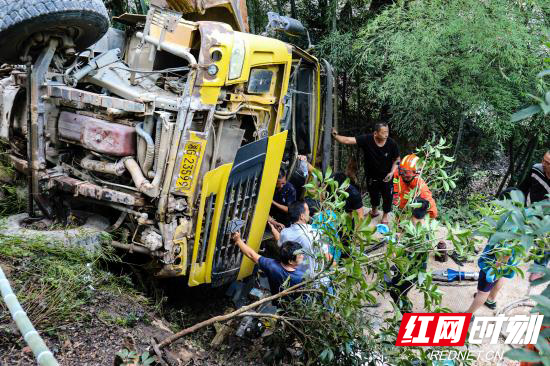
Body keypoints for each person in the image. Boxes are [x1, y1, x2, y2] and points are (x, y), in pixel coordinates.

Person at [332, 123, 400, 225]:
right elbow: (348, 140)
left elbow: (397, 159)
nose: (386, 134)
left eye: (387, 132)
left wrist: (392, 172)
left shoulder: (392, 143)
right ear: (376, 133)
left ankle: (385, 217)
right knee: (373, 194)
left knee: (387, 196)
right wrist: (335, 136)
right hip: (371, 175)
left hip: (387, 176)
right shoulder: (367, 139)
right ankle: (374, 211)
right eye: (384, 132)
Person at [268, 201, 332, 277]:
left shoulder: (285, 233)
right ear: (302, 216)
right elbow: (327, 258)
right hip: (315, 278)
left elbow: (280, 243)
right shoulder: (316, 234)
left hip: (294, 277)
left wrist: (273, 229)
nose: (309, 213)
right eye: (307, 210)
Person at [232, 231, 305, 296]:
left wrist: (238, 240)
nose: (303, 256)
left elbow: (251, 255)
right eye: (300, 255)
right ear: (290, 261)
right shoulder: (300, 277)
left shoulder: (272, 266)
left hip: (278, 303)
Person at [519, 150, 550, 281]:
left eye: (548, 163)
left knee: (545, 241)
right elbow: (523, 187)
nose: (543, 163)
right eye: (543, 159)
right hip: (530, 209)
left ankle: (539, 268)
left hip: (547, 217)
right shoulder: (536, 169)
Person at [393, 154, 438, 224]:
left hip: (414, 213)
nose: (404, 176)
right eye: (403, 172)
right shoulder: (399, 174)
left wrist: (424, 208)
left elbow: (432, 208)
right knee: (398, 226)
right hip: (402, 209)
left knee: (419, 211)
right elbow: (395, 179)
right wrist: (395, 193)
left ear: (416, 173)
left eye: (408, 175)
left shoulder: (420, 186)